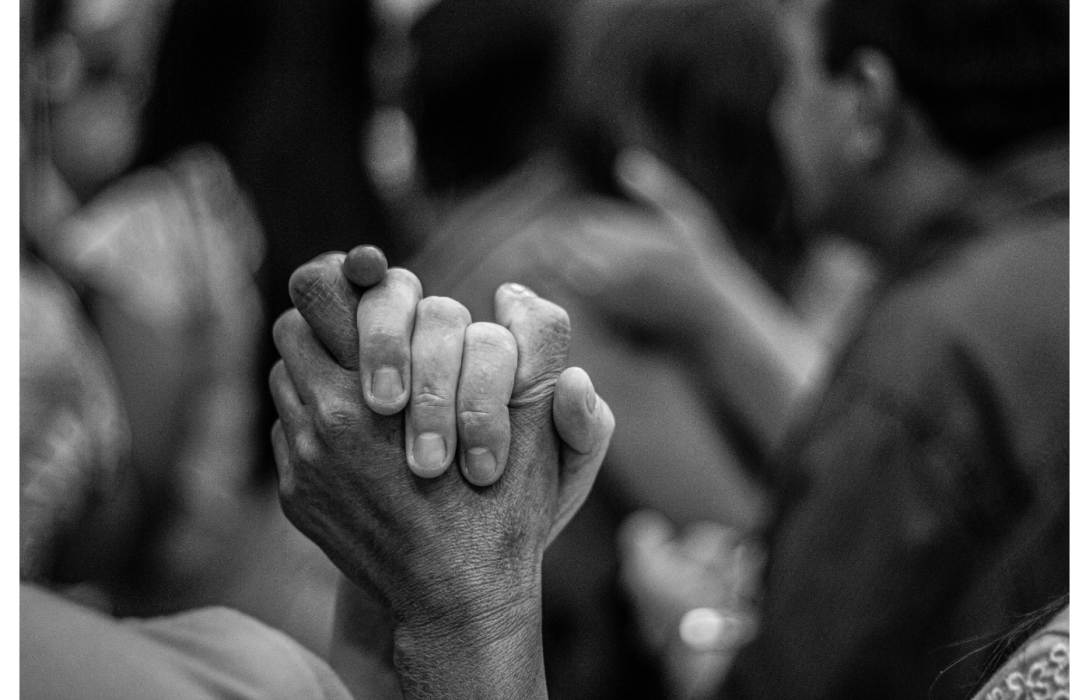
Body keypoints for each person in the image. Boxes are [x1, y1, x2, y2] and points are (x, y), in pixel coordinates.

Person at [273, 0, 1068, 694]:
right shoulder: (579, 279)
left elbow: (849, 491)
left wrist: (721, 305)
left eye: (794, 83)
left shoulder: (905, 302)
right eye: (777, 89)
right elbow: (792, 530)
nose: (786, 120)